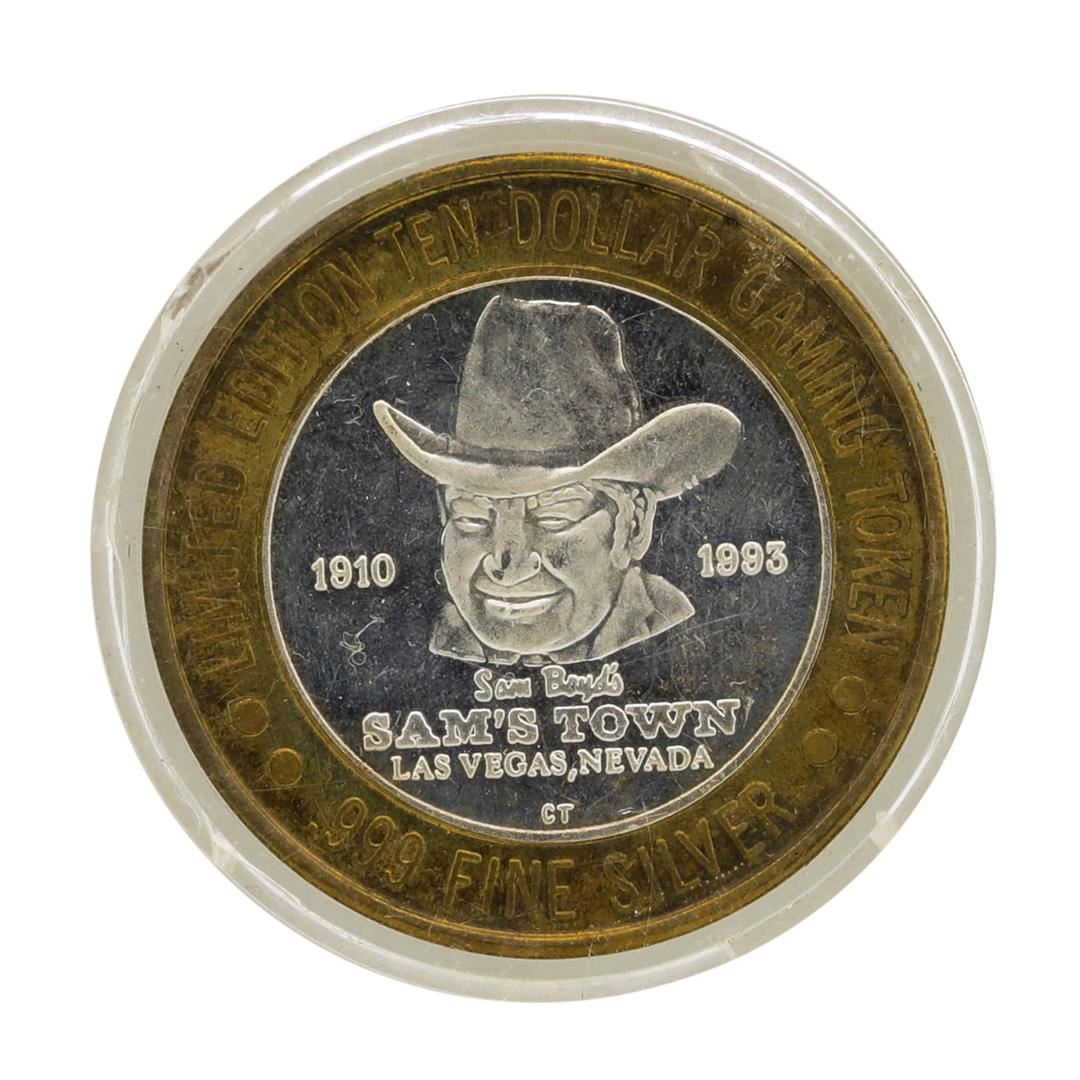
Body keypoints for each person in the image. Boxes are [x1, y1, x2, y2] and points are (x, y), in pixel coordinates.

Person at [374, 295, 741, 665]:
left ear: (633, 526)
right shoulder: (409, 647)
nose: (507, 565)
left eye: (553, 517)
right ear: (444, 517)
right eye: (472, 517)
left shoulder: (684, 635)